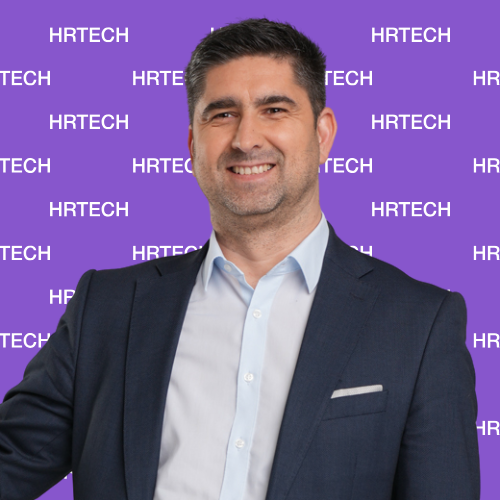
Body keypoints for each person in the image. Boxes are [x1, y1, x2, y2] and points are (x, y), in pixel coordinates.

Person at [0, 18, 479, 500]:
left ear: (323, 134)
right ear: (193, 144)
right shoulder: (106, 307)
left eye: (274, 109)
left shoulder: (419, 323)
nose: (246, 139)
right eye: (222, 114)